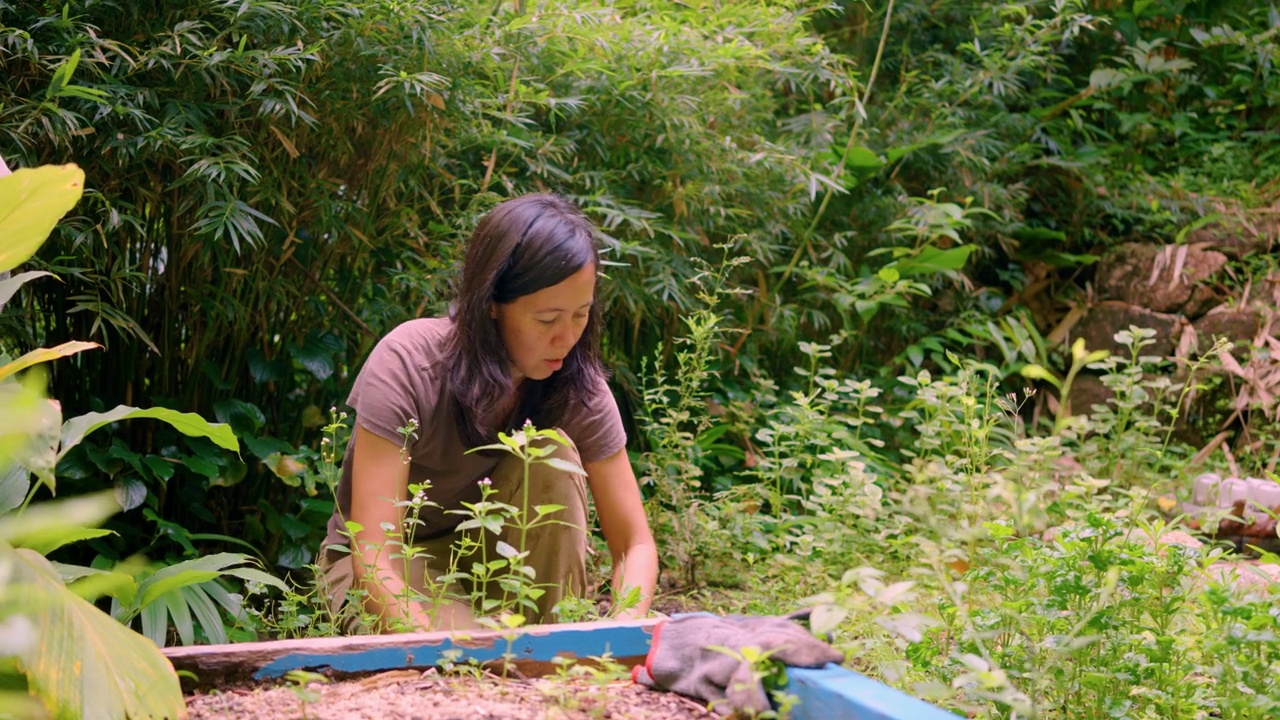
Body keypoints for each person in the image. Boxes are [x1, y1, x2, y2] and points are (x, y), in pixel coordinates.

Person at [318, 193, 657, 633]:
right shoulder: (407, 362)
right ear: (491, 303)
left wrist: (621, 629)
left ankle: (544, 641)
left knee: (548, 454)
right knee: (477, 652)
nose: (567, 337)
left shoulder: (578, 385)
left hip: (494, 565)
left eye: (581, 315)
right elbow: (374, 555)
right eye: (547, 318)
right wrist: (437, 651)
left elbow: (635, 543)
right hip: (389, 569)